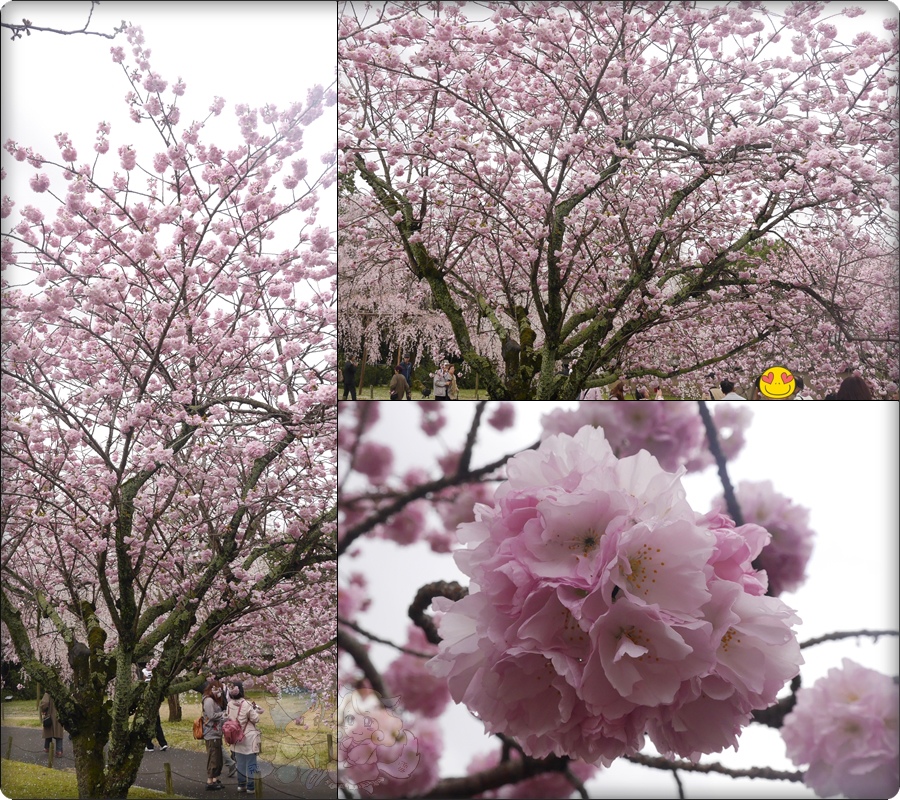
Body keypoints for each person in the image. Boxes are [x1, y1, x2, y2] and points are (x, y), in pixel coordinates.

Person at [226, 681, 264, 794]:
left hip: (236, 737)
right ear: (241, 690)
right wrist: (256, 710)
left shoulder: (229, 704)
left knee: (240, 762)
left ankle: (241, 784)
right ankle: (251, 786)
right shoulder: (246, 704)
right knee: (251, 762)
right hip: (248, 737)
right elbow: (256, 719)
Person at [139, 661, 169, 752]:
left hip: (147, 706)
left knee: (146, 725)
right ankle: (162, 743)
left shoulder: (144, 685)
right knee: (157, 725)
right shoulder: (155, 684)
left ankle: (149, 745)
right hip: (155, 706)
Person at [202, 680, 227, 791]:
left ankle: (215, 779)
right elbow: (211, 715)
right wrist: (223, 714)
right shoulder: (208, 700)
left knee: (218, 758)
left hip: (216, 732)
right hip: (211, 733)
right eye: (218, 689)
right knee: (213, 757)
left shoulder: (213, 700)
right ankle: (210, 780)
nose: (219, 692)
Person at [40, 692, 64, 757]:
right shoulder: (61, 692)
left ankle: (47, 748)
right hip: (59, 715)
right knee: (58, 734)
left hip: (50, 715)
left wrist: (43, 709)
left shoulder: (48, 693)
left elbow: (44, 703)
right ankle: (59, 751)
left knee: (48, 731)